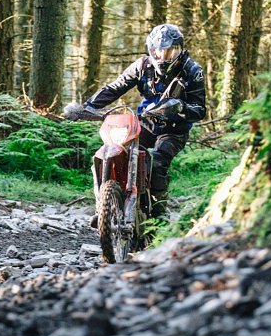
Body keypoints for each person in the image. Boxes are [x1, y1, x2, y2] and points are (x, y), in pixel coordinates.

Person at [81, 23, 206, 224]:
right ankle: (105, 205)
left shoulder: (192, 70)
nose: (162, 56)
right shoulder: (142, 66)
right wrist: (87, 107)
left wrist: (180, 107)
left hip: (174, 130)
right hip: (145, 123)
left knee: (156, 162)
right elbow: (115, 87)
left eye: (168, 51)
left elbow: (200, 109)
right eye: (158, 51)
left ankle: (158, 211)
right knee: (110, 152)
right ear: (151, 49)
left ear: (179, 50)